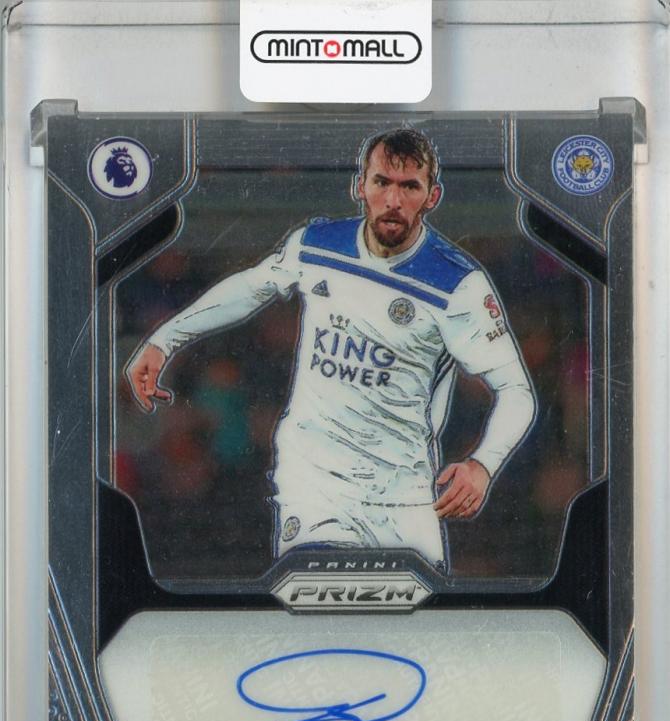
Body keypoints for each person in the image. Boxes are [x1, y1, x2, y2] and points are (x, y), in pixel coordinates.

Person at [126, 127, 536, 567]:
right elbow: (251, 287)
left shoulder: (457, 284)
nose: (393, 200)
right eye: (382, 182)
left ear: (432, 196)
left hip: (404, 494)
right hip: (315, 482)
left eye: (409, 187)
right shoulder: (317, 245)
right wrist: (164, 340)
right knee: (324, 597)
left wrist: (483, 464)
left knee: (414, 612)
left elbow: (517, 391)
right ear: (360, 186)